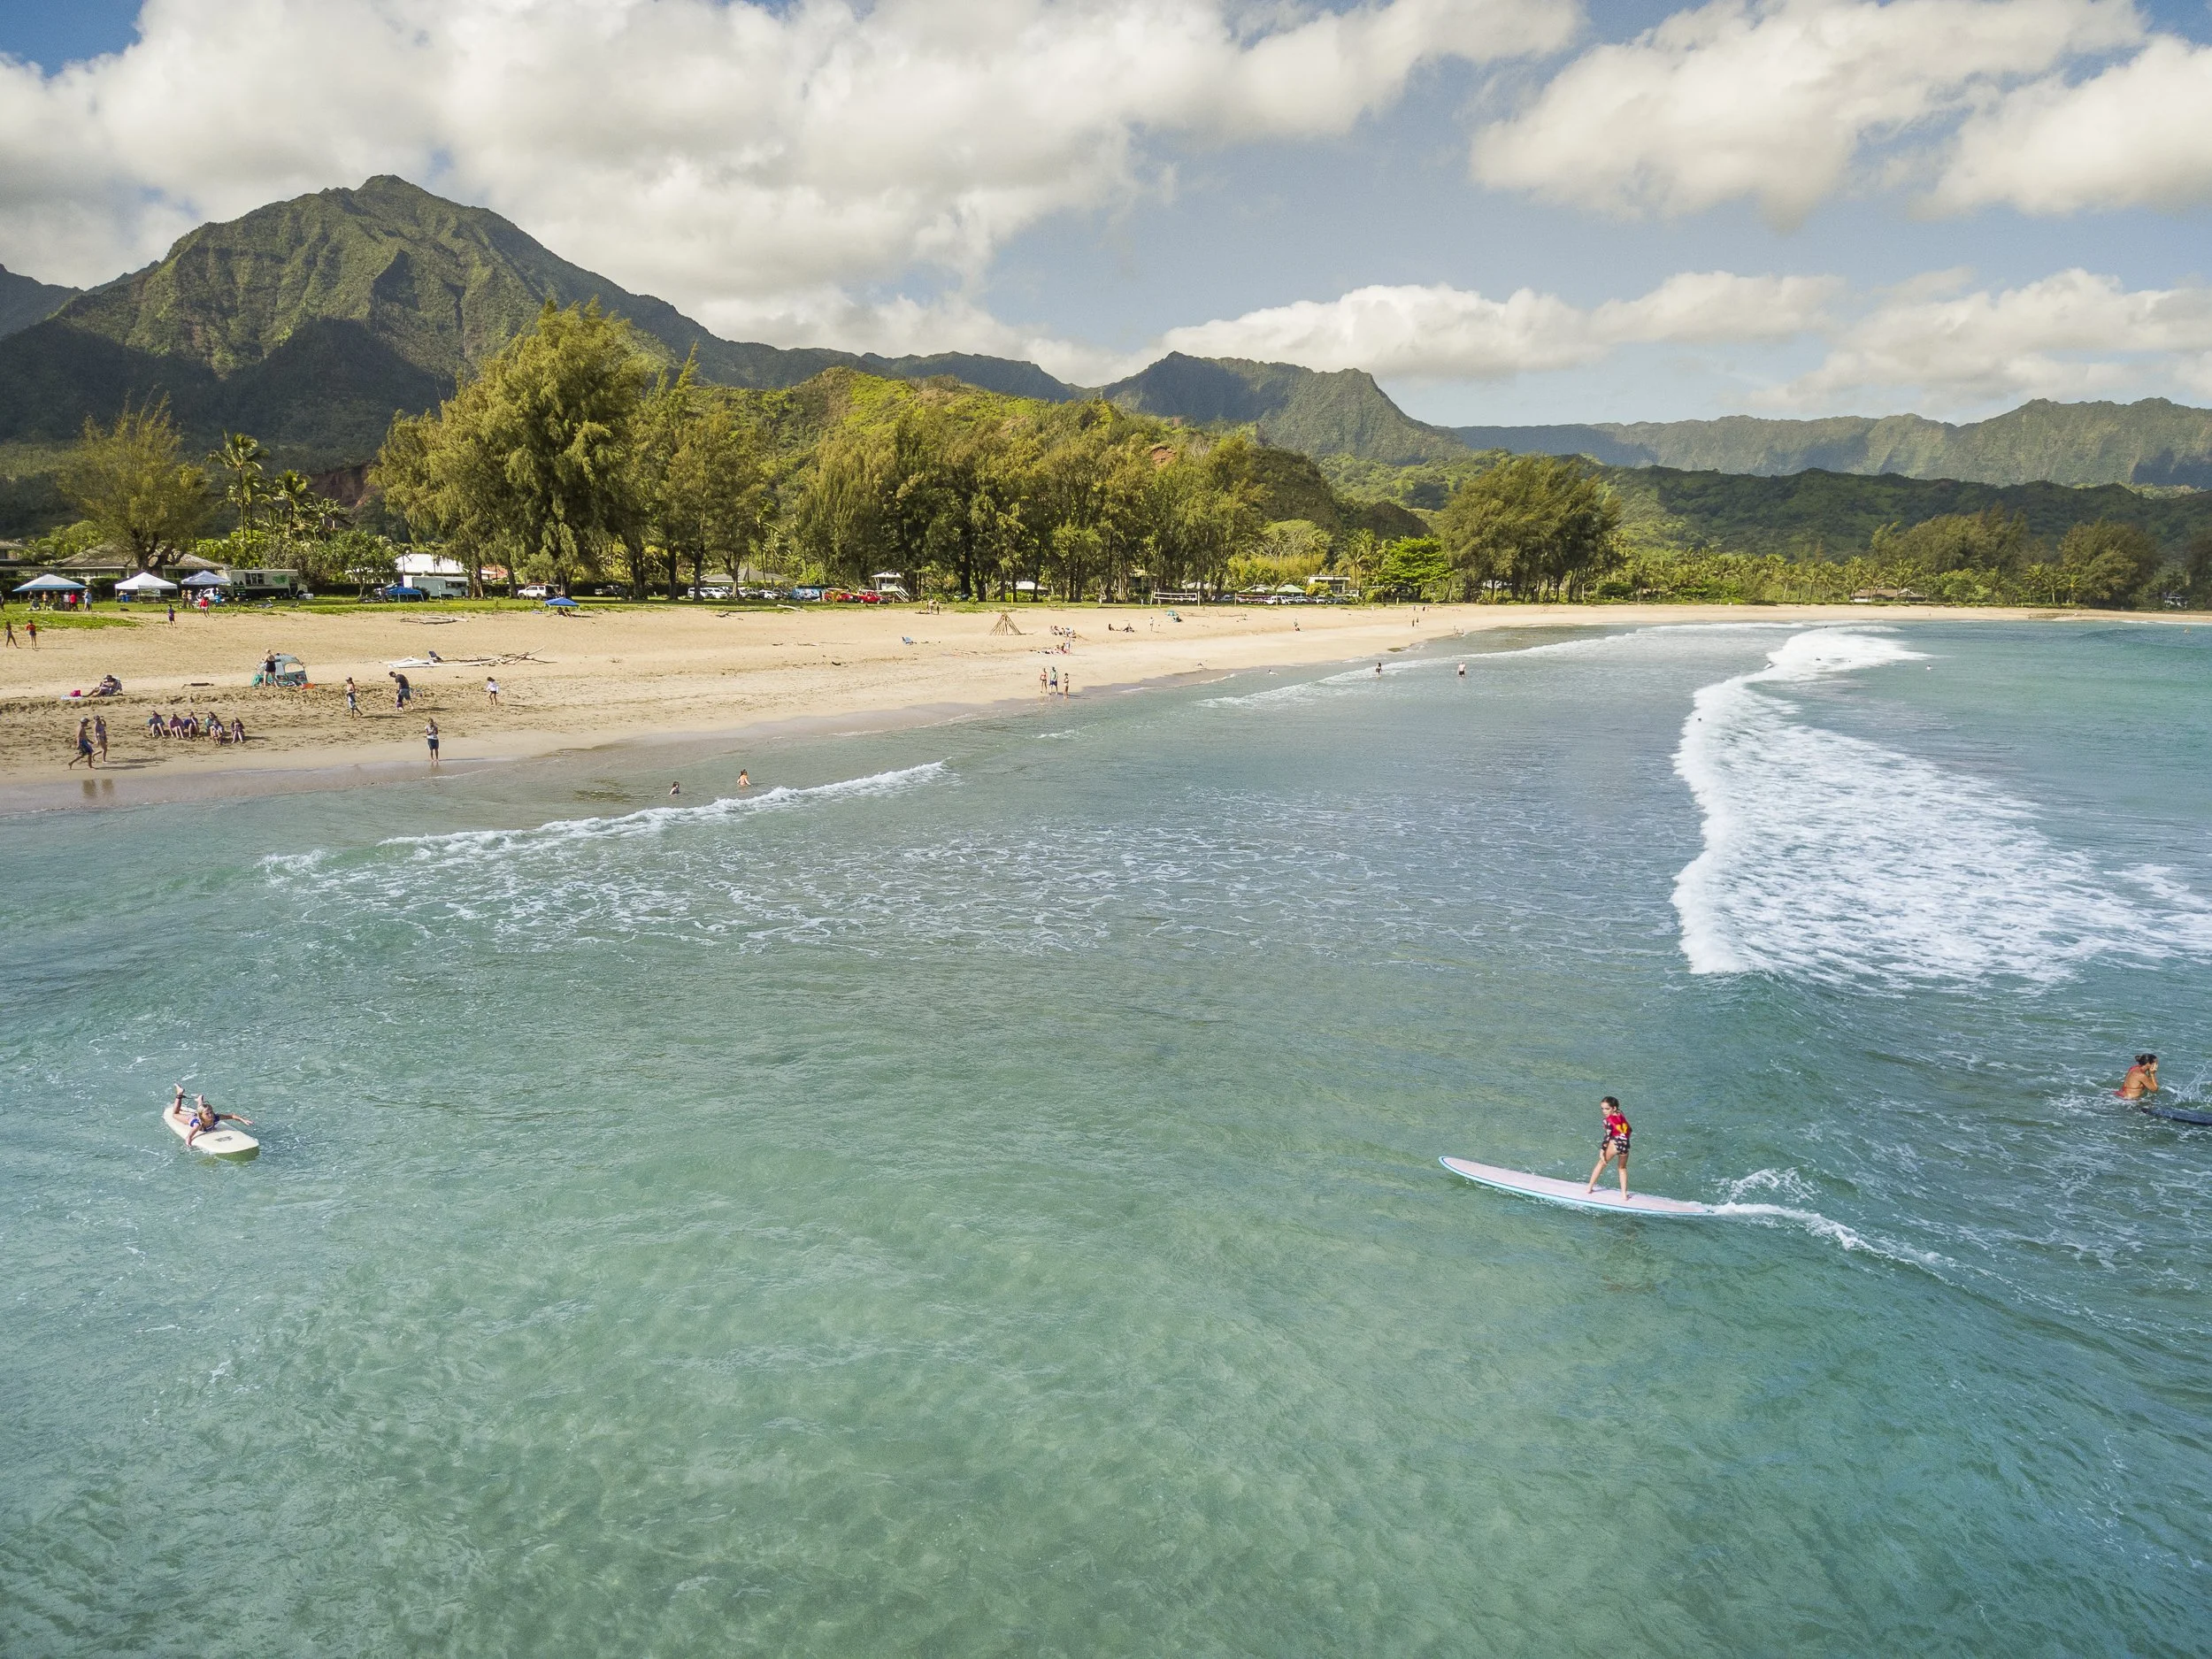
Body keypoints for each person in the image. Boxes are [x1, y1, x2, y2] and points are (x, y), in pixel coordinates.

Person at [1586, 1096, 1632, 1199]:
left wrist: (1602, 1150)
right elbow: (1630, 1129)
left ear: (1614, 1108)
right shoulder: (1621, 1115)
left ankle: (1589, 1188)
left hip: (1615, 1144)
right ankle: (1624, 1195)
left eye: (1607, 1109)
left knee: (1601, 1163)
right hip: (1625, 1145)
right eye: (1602, 1108)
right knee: (1622, 1168)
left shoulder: (1607, 1120)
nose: (1604, 1111)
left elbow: (1607, 1136)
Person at [173, 1087, 251, 1147]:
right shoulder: (198, 1125)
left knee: (203, 1109)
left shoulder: (215, 1117)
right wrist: (189, 1146)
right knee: (175, 1114)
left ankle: (200, 1099)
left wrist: (243, 1120)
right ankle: (179, 1093)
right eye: (208, 1114)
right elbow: (189, 1137)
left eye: (211, 1112)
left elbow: (232, 1116)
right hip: (190, 1119)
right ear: (201, 1116)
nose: (210, 1115)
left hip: (200, 1114)